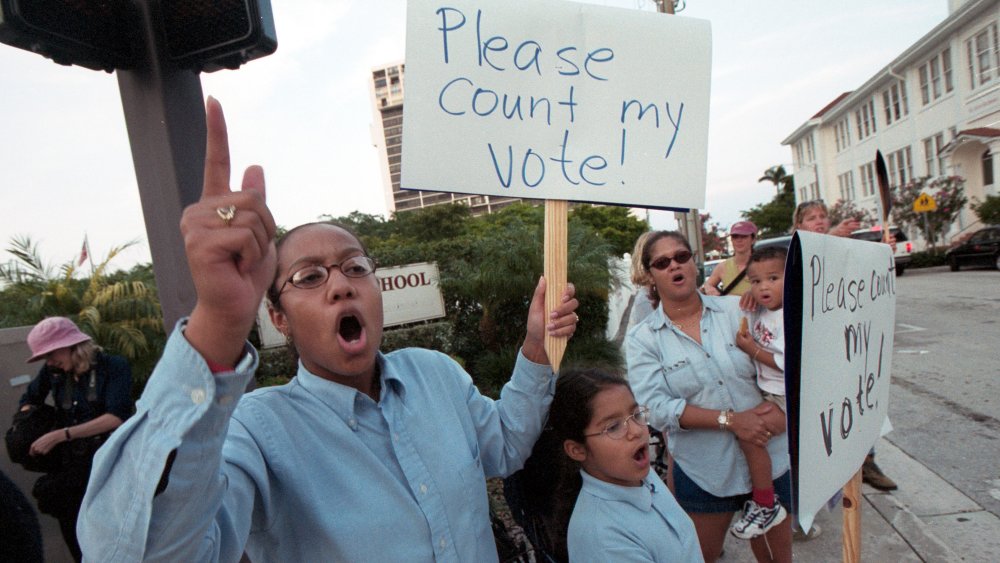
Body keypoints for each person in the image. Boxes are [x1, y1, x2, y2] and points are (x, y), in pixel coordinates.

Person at [77, 97, 580, 562]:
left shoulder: (435, 375)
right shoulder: (257, 429)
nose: (341, 286)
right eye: (309, 277)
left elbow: (506, 445)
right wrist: (218, 325)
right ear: (278, 318)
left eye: (354, 267)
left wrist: (536, 345)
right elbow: (138, 554)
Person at [626, 231, 791, 563]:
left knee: (777, 560)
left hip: (770, 460)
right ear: (651, 275)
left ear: (694, 263)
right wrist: (731, 421)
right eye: (662, 262)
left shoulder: (739, 310)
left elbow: (788, 339)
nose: (675, 265)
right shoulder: (643, 339)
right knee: (700, 557)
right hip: (705, 471)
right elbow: (655, 409)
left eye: (682, 256)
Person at [507, 368, 702, 562]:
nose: (636, 430)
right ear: (577, 450)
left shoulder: (638, 475)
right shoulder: (605, 542)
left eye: (636, 414)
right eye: (613, 427)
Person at [791, 199, 898, 493]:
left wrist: (884, 252)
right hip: (817, 349)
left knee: (860, 400)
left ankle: (865, 460)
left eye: (823, 216)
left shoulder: (847, 250)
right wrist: (831, 240)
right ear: (799, 226)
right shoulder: (796, 252)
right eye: (812, 218)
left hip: (849, 342)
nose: (819, 221)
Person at [18, 316, 133, 562]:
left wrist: (61, 435)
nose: (49, 361)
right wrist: (30, 425)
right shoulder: (53, 372)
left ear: (71, 346)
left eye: (50, 354)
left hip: (107, 459)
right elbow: (28, 400)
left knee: (108, 533)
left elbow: (116, 417)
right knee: (58, 502)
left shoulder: (113, 366)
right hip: (72, 461)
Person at [730, 247, 790, 540]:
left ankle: (767, 504)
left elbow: (787, 364)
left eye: (773, 278)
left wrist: (751, 349)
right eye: (755, 281)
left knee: (749, 434)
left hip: (787, 399)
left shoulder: (791, 315)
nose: (763, 286)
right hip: (771, 394)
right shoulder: (767, 310)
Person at [702, 220, 758, 297]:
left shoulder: (763, 264)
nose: (739, 240)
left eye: (744, 236)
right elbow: (707, 285)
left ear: (753, 240)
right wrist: (709, 289)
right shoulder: (723, 267)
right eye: (735, 236)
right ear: (731, 240)